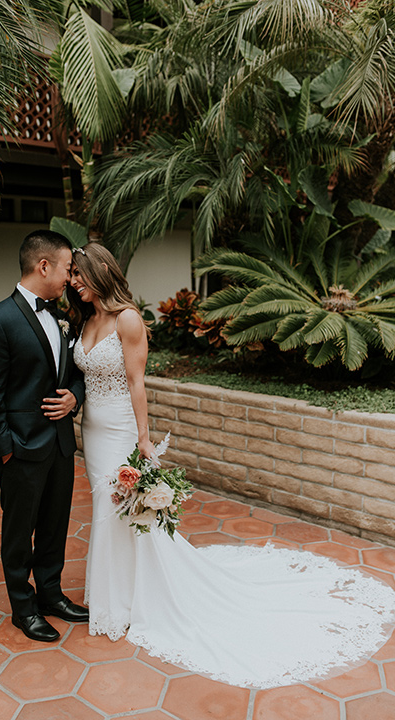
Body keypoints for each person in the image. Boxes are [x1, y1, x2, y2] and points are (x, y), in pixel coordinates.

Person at [69, 242, 395, 688]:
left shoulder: (127, 319)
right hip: (90, 430)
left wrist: (144, 439)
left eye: (78, 275)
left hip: (122, 430)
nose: (73, 282)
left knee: (117, 511)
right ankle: (118, 596)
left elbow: (136, 382)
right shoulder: (84, 320)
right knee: (108, 513)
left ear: (99, 272)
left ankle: (125, 603)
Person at [0, 229, 88, 643]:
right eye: (68, 269)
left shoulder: (64, 318)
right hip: (19, 450)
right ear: (44, 266)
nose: (71, 279)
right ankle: (24, 607)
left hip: (59, 445)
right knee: (20, 533)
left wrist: (74, 396)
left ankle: (51, 595)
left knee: (55, 525)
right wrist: (4, 450)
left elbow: (76, 374)